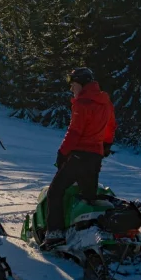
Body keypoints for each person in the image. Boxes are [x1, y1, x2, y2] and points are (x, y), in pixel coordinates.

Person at [41, 67, 116, 251]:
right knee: (87, 197)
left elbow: (74, 132)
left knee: (55, 192)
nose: (72, 90)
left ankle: (54, 235)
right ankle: (86, 234)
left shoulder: (82, 103)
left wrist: (62, 153)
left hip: (78, 156)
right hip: (95, 157)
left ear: (81, 84)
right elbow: (111, 125)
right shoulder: (104, 102)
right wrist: (105, 145)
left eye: (73, 86)